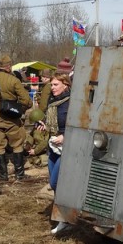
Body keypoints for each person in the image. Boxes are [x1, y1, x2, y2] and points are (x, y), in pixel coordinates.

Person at [0, 54, 32, 181]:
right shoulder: (14, 80)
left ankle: (2, 176)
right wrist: (21, 109)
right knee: (17, 144)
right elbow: (26, 100)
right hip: (12, 119)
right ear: (8, 66)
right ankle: (19, 175)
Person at [35, 72, 71, 234]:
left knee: (56, 182)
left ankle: (68, 217)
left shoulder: (71, 103)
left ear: (66, 85)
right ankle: (63, 219)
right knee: (56, 185)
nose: (52, 88)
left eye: (56, 84)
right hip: (54, 148)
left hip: (67, 148)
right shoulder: (53, 102)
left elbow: (78, 125)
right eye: (51, 85)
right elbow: (51, 123)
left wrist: (65, 135)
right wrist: (45, 125)